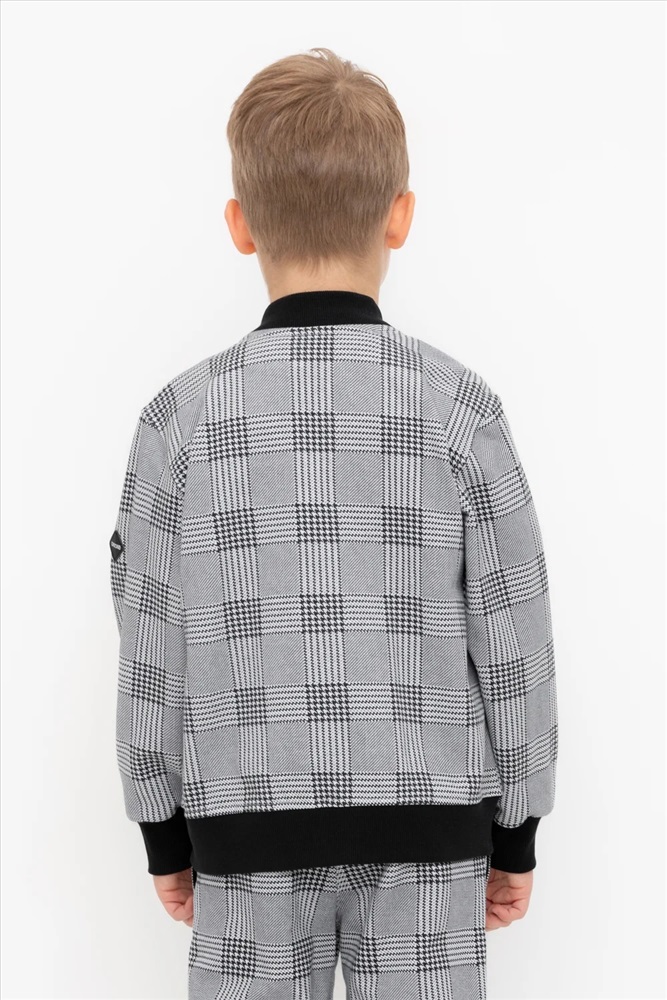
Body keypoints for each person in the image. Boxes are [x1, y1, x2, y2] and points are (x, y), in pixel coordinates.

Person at [109, 46, 558, 1000]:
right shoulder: (458, 408)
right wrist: (516, 824)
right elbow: (515, 626)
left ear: (240, 225)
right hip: (430, 827)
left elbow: (151, 640)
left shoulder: (179, 422)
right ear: (400, 215)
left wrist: (163, 827)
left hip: (245, 825)